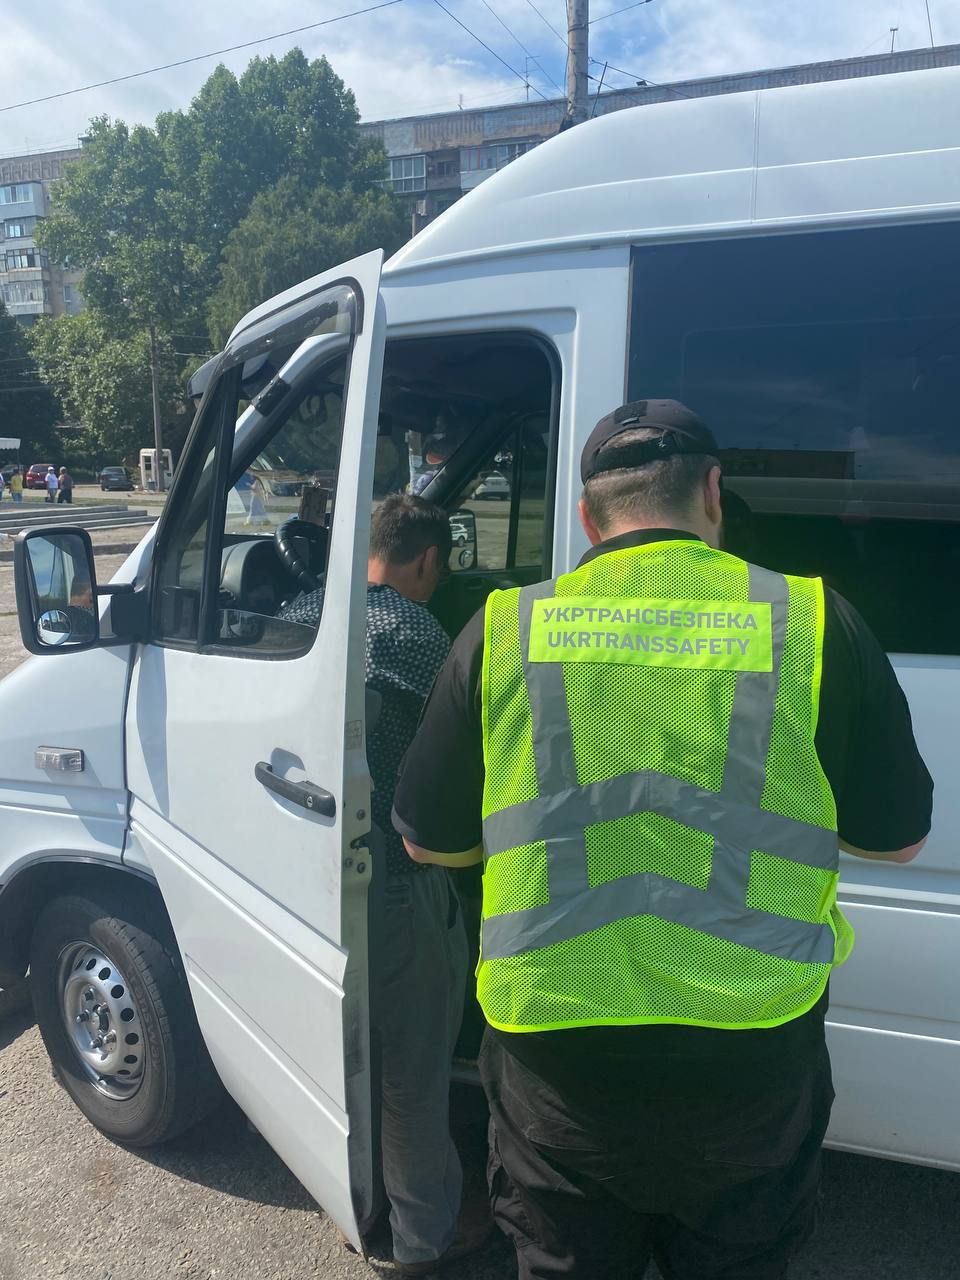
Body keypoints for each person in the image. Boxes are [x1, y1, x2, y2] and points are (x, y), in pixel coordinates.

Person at [392, 399, 933, 1280]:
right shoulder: (812, 621)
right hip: (750, 1054)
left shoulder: (504, 629)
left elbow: (427, 843)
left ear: (586, 517)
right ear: (712, 492)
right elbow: (899, 839)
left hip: (557, 1062)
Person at [278, 493, 488, 1276]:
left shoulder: (306, 614)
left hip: (314, 873)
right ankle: (424, 1234)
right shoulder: (417, 634)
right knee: (412, 1069)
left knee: (347, 1055)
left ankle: (351, 1196)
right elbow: (474, 748)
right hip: (402, 880)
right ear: (427, 559)